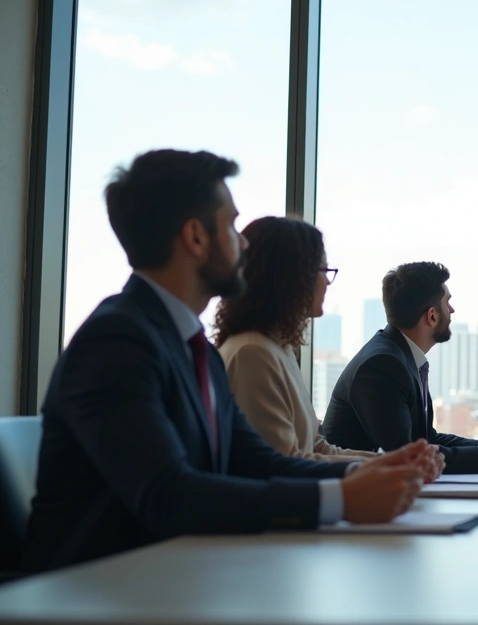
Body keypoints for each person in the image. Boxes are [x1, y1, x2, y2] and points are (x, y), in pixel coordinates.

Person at [23, 150, 429, 572]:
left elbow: (255, 460)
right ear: (196, 238)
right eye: (233, 225)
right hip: (92, 591)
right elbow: (169, 495)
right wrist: (341, 500)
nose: (245, 243)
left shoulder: (190, 345)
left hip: (173, 576)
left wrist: (368, 476)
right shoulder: (116, 342)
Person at [214, 217, 440, 477]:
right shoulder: (252, 353)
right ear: (292, 278)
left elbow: (317, 446)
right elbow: (282, 462)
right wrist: (387, 467)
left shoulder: (279, 348)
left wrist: (394, 462)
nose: (327, 283)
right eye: (323, 271)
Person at [321, 262, 478, 472]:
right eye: (447, 302)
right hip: (363, 497)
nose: (452, 310)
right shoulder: (382, 364)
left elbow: (426, 438)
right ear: (432, 315)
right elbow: (404, 453)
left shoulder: (401, 355)